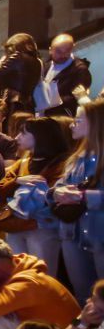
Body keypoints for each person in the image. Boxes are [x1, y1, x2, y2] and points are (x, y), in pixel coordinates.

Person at [0, 117, 70, 277]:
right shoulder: (22, 163)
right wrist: (17, 181)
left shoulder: (63, 165)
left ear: (40, 136)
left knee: (43, 277)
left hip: (42, 226)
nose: (17, 137)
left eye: (23, 133)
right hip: (15, 225)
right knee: (16, 275)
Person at [52, 99, 104, 302]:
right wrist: (56, 194)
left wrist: (83, 197)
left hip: (99, 234)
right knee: (82, 294)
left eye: (79, 119)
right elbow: (57, 187)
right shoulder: (76, 158)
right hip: (72, 234)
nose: (73, 124)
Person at [35, 33, 92, 118]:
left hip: (62, 119)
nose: (63, 55)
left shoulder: (80, 70)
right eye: (58, 51)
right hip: (41, 116)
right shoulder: (46, 65)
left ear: (72, 49)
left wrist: (52, 101)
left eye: (67, 51)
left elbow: (76, 97)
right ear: (50, 50)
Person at [0, 32, 42, 117]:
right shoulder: (37, 62)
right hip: (29, 103)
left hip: (14, 102)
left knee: (11, 128)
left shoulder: (17, 57)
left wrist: (1, 62)